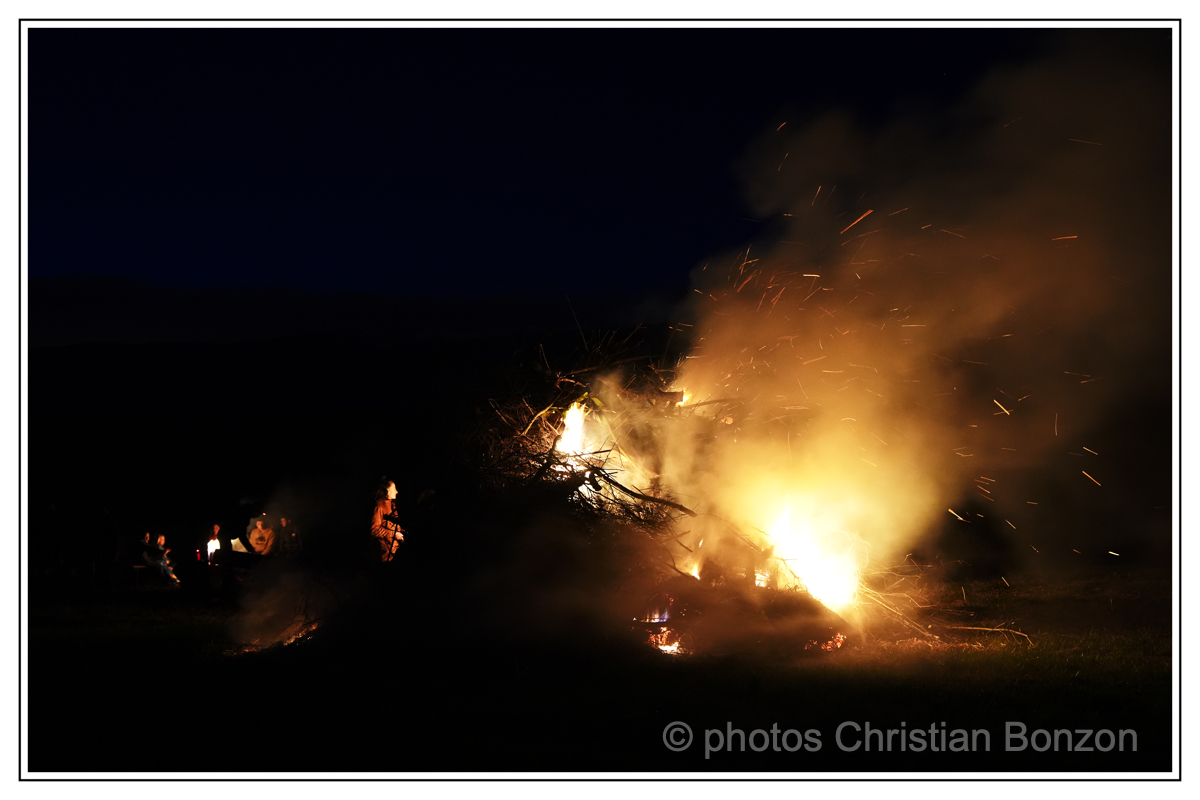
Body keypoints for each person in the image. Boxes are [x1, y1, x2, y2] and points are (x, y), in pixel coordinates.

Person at [371, 477, 404, 562]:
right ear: (386, 491)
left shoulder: (392, 505)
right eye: (394, 489)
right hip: (386, 554)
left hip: (394, 550)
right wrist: (393, 534)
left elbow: (393, 525)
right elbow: (374, 530)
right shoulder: (379, 507)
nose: (397, 492)